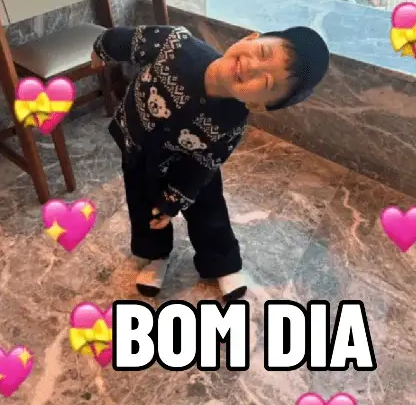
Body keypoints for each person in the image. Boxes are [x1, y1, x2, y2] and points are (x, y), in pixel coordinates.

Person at [91, 25, 329, 301]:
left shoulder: (231, 124)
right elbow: (131, 40)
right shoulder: (174, 44)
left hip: (190, 163)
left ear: (258, 104)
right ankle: (155, 255)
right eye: (262, 52)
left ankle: (222, 261)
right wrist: (101, 47)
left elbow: (202, 165)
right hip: (138, 148)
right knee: (142, 204)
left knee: (208, 209)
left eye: (265, 83)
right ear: (250, 38)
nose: (251, 67)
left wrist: (174, 200)